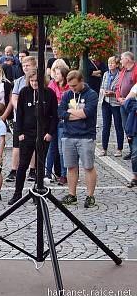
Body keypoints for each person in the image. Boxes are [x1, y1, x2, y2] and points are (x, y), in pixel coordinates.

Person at [9, 69, 57, 205]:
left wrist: (50, 133)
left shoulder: (49, 94)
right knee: (23, 164)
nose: (34, 83)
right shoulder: (24, 92)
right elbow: (20, 114)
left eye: (37, 81)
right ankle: (17, 193)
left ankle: (38, 192)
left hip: (43, 135)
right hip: (27, 134)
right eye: (32, 81)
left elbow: (54, 116)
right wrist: (20, 133)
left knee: (39, 165)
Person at [58, 70, 99, 208]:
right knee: (71, 167)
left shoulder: (91, 94)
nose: (72, 88)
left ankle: (90, 196)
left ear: (81, 81)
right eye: (70, 86)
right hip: (68, 135)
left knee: (88, 167)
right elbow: (61, 113)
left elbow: (87, 113)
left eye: (75, 85)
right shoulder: (67, 94)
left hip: (86, 136)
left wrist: (71, 113)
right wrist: (76, 115)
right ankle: (72, 195)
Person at [4, 56, 37, 182]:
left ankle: (33, 169)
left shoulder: (37, 80)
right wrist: (22, 110)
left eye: (28, 65)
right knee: (17, 145)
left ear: (34, 66)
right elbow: (14, 98)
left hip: (34, 118)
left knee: (33, 144)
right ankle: (14, 169)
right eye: (23, 66)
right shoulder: (19, 81)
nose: (25, 68)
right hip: (21, 117)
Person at [46, 62, 70, 184]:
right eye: (54, 73)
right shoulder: (52, 84)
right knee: (51, 148)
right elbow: (49, 99)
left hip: (62, 120)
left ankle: (63, 174)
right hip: (52, 119)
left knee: (61, 149)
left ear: (64, 76)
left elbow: (69, 104)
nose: (55, 75)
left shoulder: (68, 88)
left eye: (57, 73)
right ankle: (47, 173)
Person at [115, 52, 137, 160]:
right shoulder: (123, 71)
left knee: (133, 127)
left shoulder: (136, 70)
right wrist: (119, 98)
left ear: (128, 59)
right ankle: (131, 150)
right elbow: (118, 86)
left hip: (133, 105)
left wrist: (128, 100)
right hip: (122, 103)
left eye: (122, 58)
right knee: (127, 128)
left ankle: (135, 150)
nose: (120, 61)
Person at [100, 56, 124, 156]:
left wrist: (113, 93)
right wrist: (103, 92)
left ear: (117, 65)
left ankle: (119, 148)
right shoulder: (106, 74)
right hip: (105, 102)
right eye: (109, 63)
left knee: (118, 126)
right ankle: (104, 148)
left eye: (112, 63)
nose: (110, 64)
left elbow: (122, 90)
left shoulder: (120, 75)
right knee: (105, 126)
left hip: (116, 103)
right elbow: (101, 87)